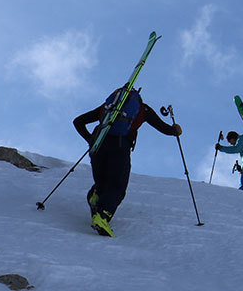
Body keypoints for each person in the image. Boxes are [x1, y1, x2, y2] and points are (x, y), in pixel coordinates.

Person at [73, 87, 181, 237]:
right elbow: (165, 129)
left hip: (97, 145)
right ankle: (102, 216)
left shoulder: (107, 107)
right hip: (119, 145)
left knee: (103, 181)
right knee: (118, 184)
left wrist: (92, 140)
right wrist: (175, 129)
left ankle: (96, 195)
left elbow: (78, 122)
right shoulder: (143, 109)